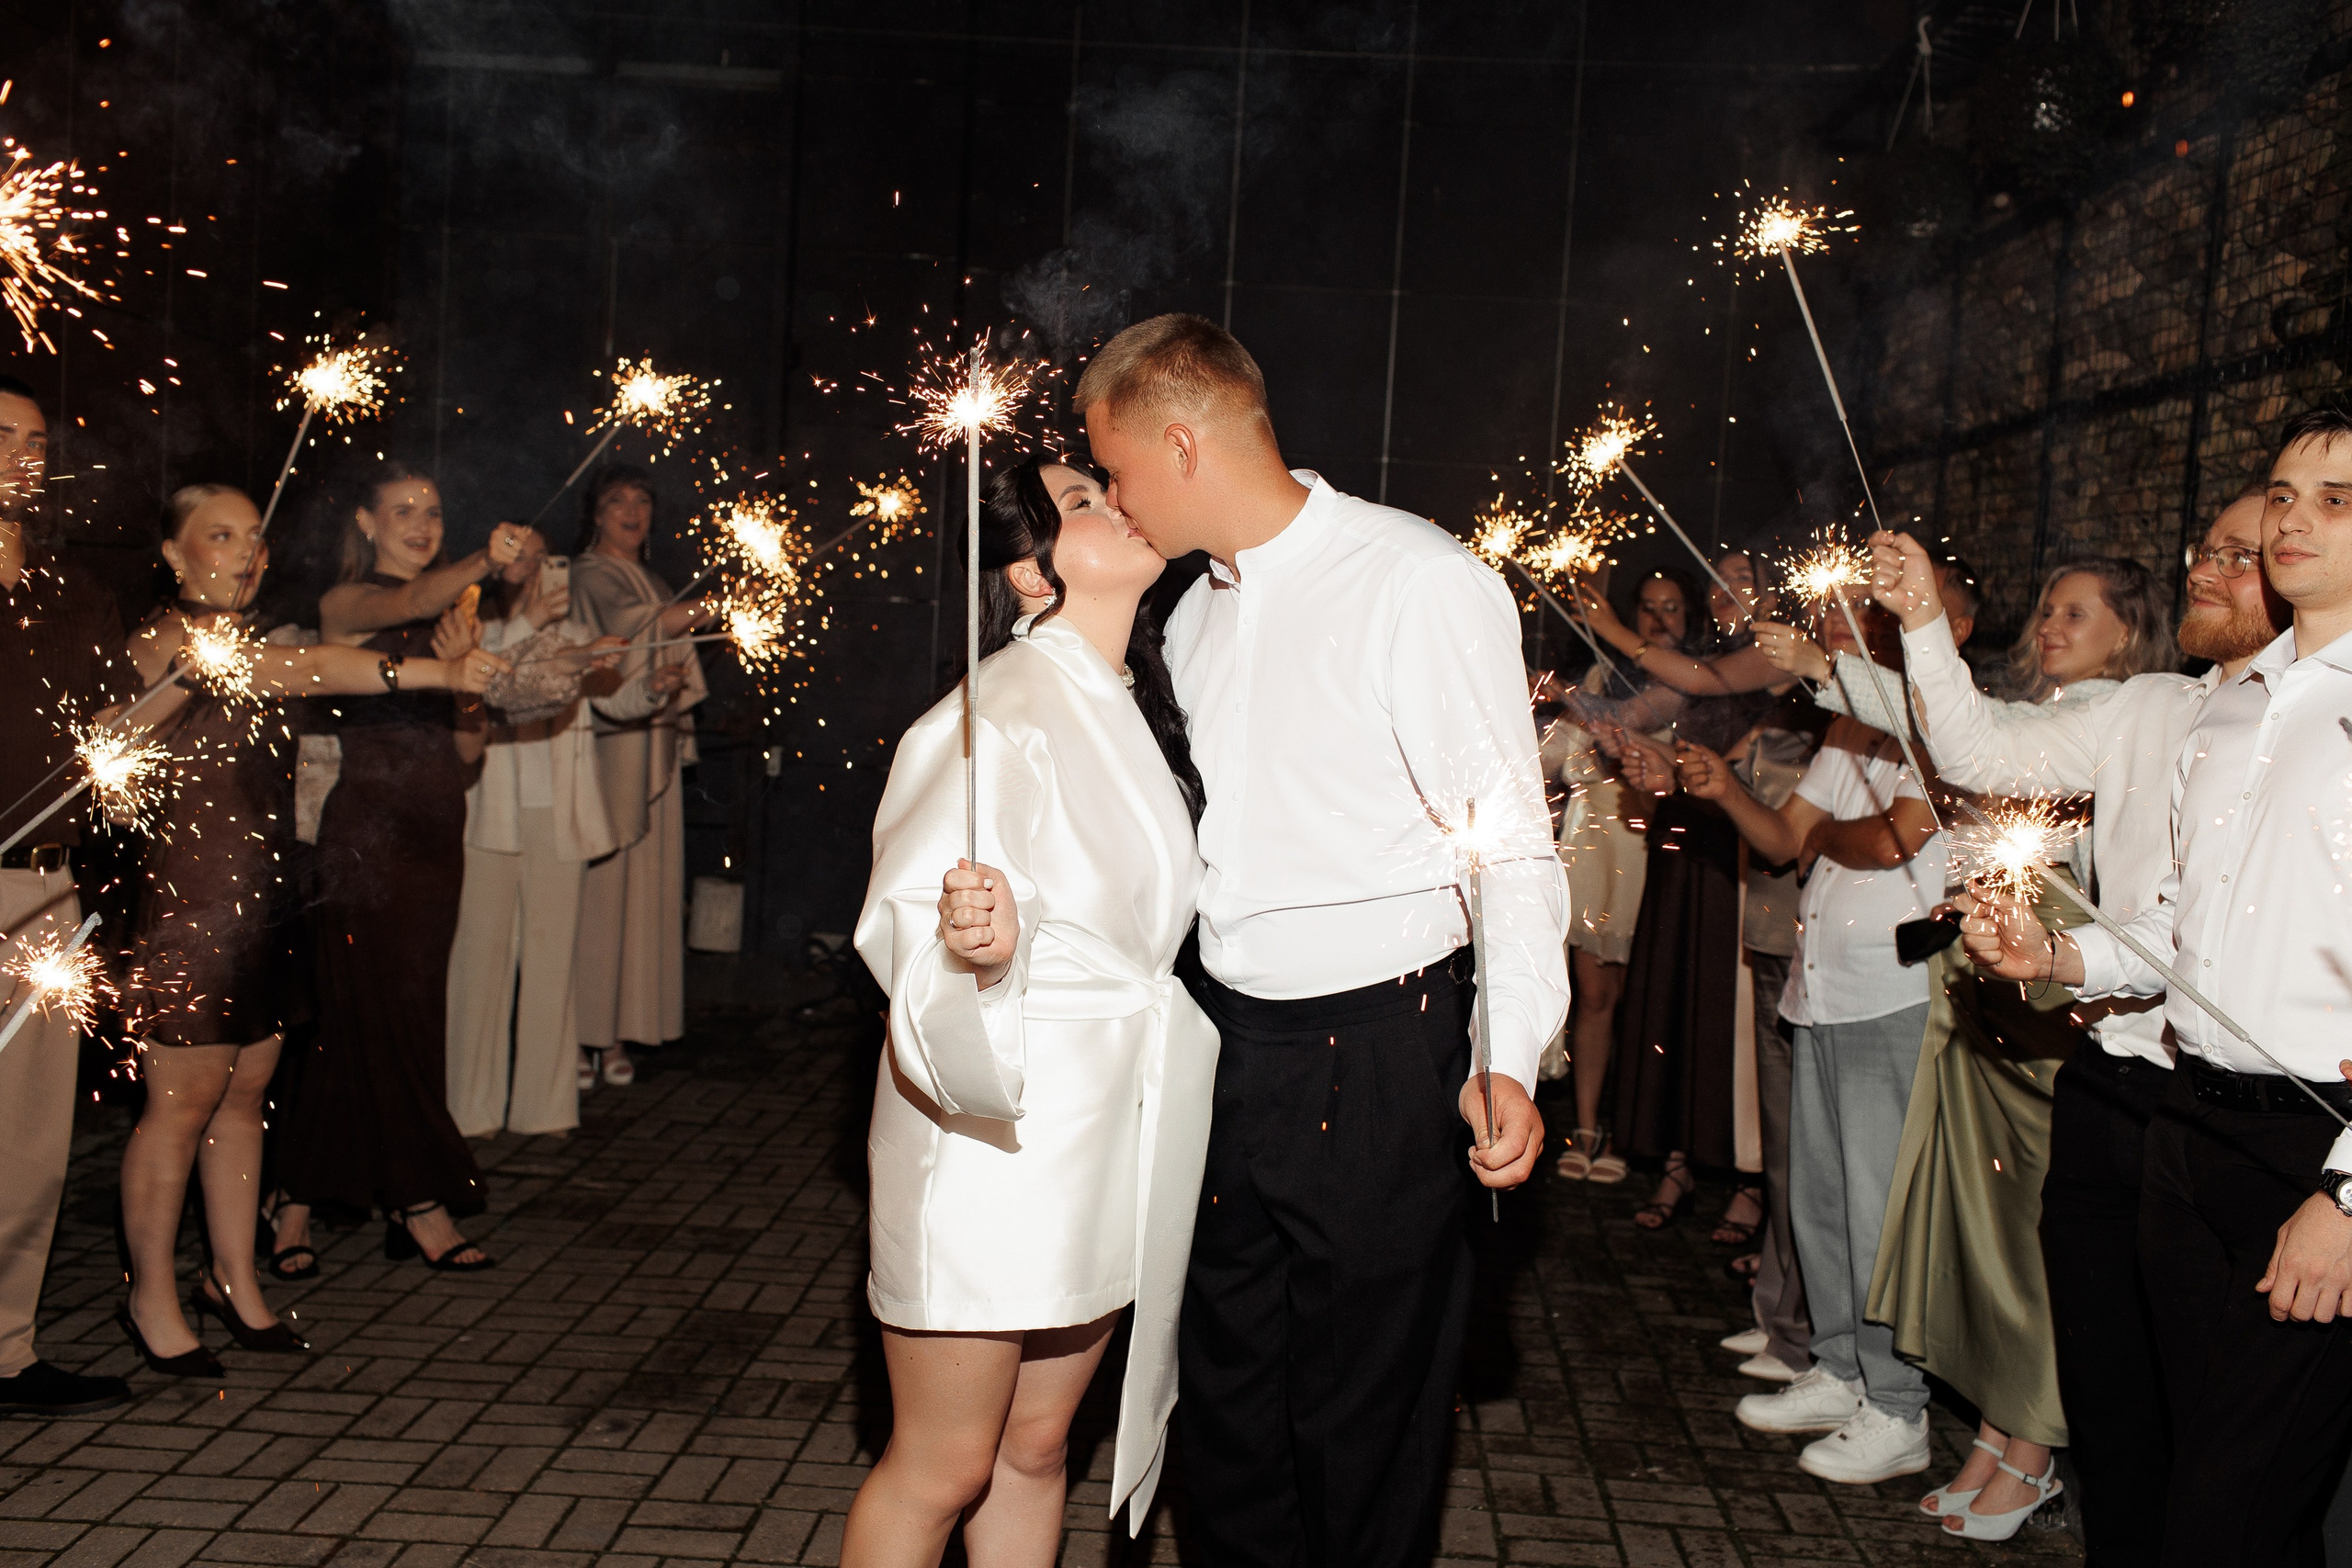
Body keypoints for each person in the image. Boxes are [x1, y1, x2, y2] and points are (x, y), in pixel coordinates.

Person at [1081, 314, 1566, 1567]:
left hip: (1381, 1048)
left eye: (1117, 467)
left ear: (1181, 442)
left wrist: (1509, 1044)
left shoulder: (1418, 578)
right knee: (1228, 1397)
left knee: (1364, 1410)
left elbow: (1509, 844)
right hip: (1230, 1047)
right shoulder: (1191, 618)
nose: (1116, 499)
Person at [1849, 487, 2280, 1563]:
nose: (2205, 570)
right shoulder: (2142, 708)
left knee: (2215, 1412)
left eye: (2239, 556)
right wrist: (1916, 624)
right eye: (2207, 549)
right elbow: (1982, 752)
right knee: (2104, 1380)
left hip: (2226, 1105)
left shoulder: (2311, 728)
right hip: (2108, 1074)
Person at [1958, 407, 2352, 1568]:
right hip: (2190, 1133)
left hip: (2318, 1154)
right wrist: (2066, 958)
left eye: (2335, 498)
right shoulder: (2217, 713)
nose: (2291, 518)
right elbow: (2186, 919)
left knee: (2224, 1521)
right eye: (2281, 493)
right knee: (2192, 1480)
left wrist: (2347, 1195)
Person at [844, 457, 1216, 1563]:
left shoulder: (1131, 701)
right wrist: (982, 949)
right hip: (990, 1128)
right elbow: (909, 925)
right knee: (942, 1464)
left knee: (1042, 1444)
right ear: (1029, 574)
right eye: (1083, 504)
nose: (1118, 502)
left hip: (1106, 1120)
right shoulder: (988, 718)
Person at [114, 482, 503, 1373]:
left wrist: (455, 677)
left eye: (255, 535)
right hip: (191, 906)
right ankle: (151, 1297)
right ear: (175, 555)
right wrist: (437, 673)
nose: (247, 552)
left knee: (246, 1099)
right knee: (177, 1109)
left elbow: (303, 665)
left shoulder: (249, 638)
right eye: (220, 536)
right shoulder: (169, 641)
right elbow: (310, 670)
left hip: (265, 893)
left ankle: (234, 1280)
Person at [1645, 588, 1947, 1486]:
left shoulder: (1934, 729)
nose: (1827, 633)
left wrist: (1838, 837)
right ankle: (1841, 1365)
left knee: (1872, 1208)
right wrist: (1727, 789)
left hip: (1890, 997)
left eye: (1851, 622)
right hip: (1823, 990)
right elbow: (1785, 841)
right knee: (1817, 1203)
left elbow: (1894, 840)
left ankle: (1898, 1408)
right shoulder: (1850, 733)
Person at [269, 461, 530, 1274]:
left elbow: (467, 749)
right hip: (365, 839)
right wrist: (489, 562)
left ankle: (295, 1199)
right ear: (367, 522)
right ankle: (418, 1200)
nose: (422, 522)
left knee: (394, 1015)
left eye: (435, 509)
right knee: (369, 1012)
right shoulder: (347, 606)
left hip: (433, 836)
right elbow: (406, 603)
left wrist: (469, 688)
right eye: (404, 510)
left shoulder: (454, 615)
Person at [0, 374, 133, 1417]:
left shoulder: (72, 593)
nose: (22, 457)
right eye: (2, 437)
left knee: (36, 1140)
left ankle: (7, 1351)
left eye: (38, 440)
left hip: (48, 892)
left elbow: (112, 728)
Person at [445, 536, 649, 1138]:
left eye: (539, 555)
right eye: (518, 554)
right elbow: (496, 681)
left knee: (552, 962)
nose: (530, 566)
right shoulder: (470, 619)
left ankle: (546, 1107)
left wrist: (645, 681)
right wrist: (540, 625)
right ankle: (468, 1108)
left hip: (559, 814)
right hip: (489, 812)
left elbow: (611, 694)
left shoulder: (575, 626)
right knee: (478, 962)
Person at [1550, 575, 1693, 1187]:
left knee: (1650, 999)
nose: (1660, 618)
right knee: (1596, 994)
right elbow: (1556, 755)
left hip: (1655, 849)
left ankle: (1643, 1130)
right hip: (1594, 848)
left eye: (1673, 607)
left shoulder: (1691, 684)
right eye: (1649, 606)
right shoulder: (1604, 678)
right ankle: (1587, 1126)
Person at [569, 466, 707, 1089]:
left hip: (650, 743)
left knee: (641, 896)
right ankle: (577, 1034)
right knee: (601, 895)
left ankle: (617, 1029)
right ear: (595, 514)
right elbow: (637, 627)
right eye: (617, 501)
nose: (631, 511)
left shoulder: (650, 577)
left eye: (642, 501)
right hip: (609, 749)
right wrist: (714, 606)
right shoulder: (588, 573)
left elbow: (663, 628)